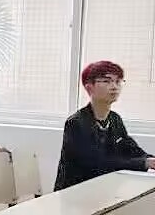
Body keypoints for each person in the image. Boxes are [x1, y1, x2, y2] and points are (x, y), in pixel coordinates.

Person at [55, 61, 155, 190]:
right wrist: (144, 163)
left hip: (104, 188)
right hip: (75, 191)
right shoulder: (76, 122)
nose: (114, 86)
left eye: (118, 81)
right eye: (107, 81)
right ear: (89, 87)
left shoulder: (115, 119)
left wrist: (150, 159)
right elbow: (97, 163)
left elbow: (131, 149)